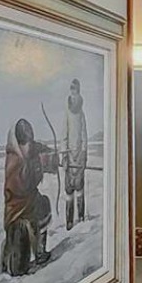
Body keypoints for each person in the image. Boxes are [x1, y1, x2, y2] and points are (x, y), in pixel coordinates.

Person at [1, 118, 59, 276]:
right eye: (26, 144)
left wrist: (50, 154)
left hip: (30, 200)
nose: (29, 147)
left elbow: (39, 148)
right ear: (19, 143)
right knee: (19, 266)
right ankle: (15, 256)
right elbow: (25, 185)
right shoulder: (14, 159)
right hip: (17, 208)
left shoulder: (29, 147)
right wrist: (40, 165)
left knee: (44, 205)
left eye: (29, 142)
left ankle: (40, 252)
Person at [62, 78, 88, 229]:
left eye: (76, 91)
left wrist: (83, 154)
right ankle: (69, 221)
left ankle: (81, 217)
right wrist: (64, 156)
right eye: (72, 91)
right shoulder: (67, 113)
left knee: (80, 186)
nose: (74, 94)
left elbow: (84, 135)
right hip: (69, 156)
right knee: (69, 189)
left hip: (79, 157)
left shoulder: (81, 114)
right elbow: (64, 135)